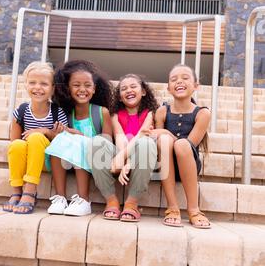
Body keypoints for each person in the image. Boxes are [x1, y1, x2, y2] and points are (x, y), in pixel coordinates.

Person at [45, 59, 112, 216]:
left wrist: (81, 137)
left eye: (87, 85)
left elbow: (106, 143)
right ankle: (60, 197)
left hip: (97, 159)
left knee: (78, 141)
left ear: (94, 89)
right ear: (68, 88)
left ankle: (83, 200)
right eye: (76, 85)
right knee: (60, 140)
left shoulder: (102, 112)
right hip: (69, 162)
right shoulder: (65, 114)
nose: (82, 89)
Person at [149, 64, 211, 228]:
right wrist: (165, 135)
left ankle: (194, 209)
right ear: (169, 88)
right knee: (164, 140)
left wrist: (167, 135)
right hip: (165, 165)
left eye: (185, 78)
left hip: (188, 163)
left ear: (196, 86)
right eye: (174, 79)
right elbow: (157, 136)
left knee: (182, 144)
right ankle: (172, 207)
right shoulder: (162, 111)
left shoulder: (202, 113)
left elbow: (190, 145)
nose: (179, 82)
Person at [91, 73, 158, 222]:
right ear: (120, 97)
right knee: (97, 142)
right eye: (124, 89)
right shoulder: (115, 115)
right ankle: (111, 200)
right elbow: (120, 139)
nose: (129, 90)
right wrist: (121, 158)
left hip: (141, 159)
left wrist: (126, 162)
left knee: (146, 143)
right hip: (121, 155)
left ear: (143, 91)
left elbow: (142, 136)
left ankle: (131, 203)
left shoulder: (150, 113)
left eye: (133, 86)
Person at [3, 61, 68, 214]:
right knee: (17, 145)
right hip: (27, 159)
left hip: (47, 161)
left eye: (44, 84)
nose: (37, 87)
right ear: (26, 85)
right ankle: (17, 191)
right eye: (32, 82)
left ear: (52, 88)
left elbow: (62, 142)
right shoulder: (21, 111)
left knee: (36, 137)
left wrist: (45, 131)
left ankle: (30, 190)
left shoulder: (57, 113)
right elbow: (15, 142)